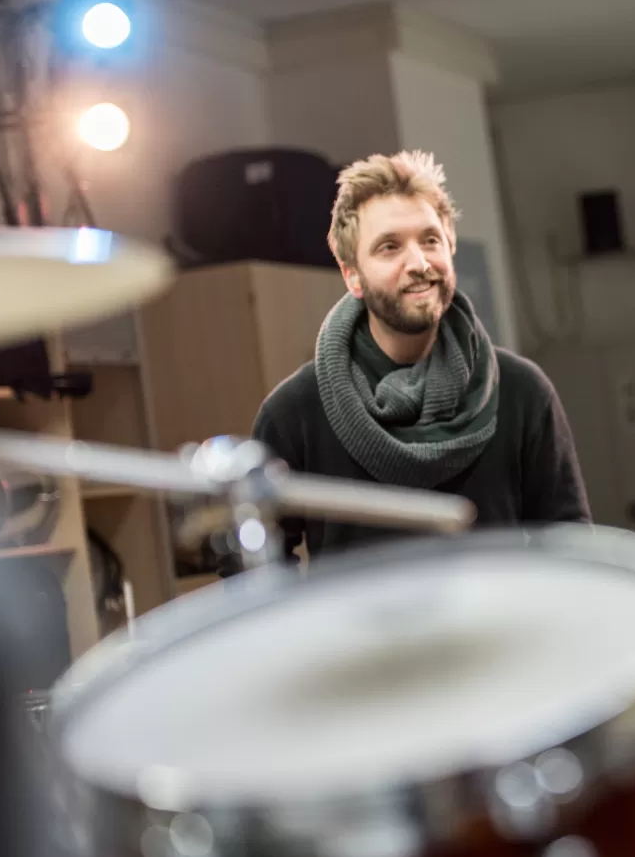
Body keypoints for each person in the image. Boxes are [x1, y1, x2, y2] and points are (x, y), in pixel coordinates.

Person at [251, 150, 589, 562]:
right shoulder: (295, 413)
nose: (418, 262)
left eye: (430, 240)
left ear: (449, 248)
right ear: (352, 275)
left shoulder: (521, 391)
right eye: (390, 247)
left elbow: (572, 552)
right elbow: (256, 572)